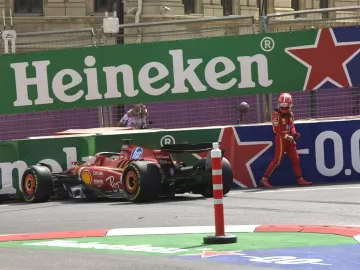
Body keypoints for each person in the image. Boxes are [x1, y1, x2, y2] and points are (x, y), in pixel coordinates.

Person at [260, 93, 312, 188]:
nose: (284, 108)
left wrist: (294, 133)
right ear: (279, 104)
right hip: (281, 139)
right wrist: (287, 136)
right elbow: (276, 129)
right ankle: (264, 178)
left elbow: (292, 126)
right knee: (277, 160)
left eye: (286, 106)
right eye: (282, 106)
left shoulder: (291, 114)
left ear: (290, 105)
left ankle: (300, 179)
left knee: (296, 159)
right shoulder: (276, 114)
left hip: (290, 140)